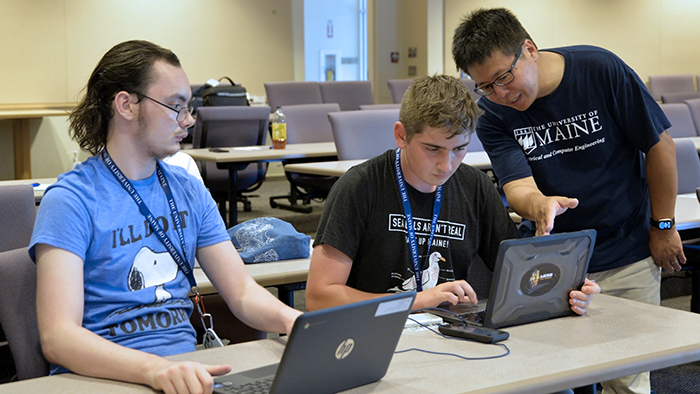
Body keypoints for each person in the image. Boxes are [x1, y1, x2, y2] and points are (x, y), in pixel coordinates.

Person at [29, 40, 301, 394]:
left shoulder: (188, 189)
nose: (187, 120)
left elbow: (243, 292)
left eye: (188, 107)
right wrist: (154, 370)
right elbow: (58, 337)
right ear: (126, 104)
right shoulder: (71, 199)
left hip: (185, 375)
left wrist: (294, 320)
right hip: (98, 380)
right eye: (175, 106)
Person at [451, 8, 683, 394]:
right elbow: (517, 185)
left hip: (626, 248)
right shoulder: (493, 113)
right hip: (553, 259)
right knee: (551, 374)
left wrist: (663, 224)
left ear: (529, 49)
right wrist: (539, 204)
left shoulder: (600, 70)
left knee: (626, 381)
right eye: (486, 86)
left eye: (504, 78)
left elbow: (659, 145)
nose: (501, 94)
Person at [305, 74, 599, 317]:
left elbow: (516, 274)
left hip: (448, 330)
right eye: (433, 149)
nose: (446, 166)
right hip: (372, 331)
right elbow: (320, 298)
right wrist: (418, 300)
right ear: (401, 135)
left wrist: (565, 288)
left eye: (459, 149)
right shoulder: (360, 186)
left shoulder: (474, 187)